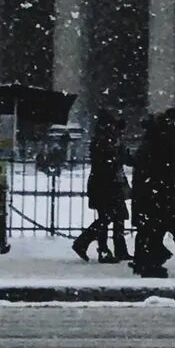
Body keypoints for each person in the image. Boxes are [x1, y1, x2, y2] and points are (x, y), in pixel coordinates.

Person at [131, 108, 175, 279]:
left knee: (163, 230)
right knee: (164, 230)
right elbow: (168, 165)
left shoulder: (155, 139)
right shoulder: (162, 141)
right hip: (162, 193)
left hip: (159, 192)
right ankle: (153, 264)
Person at [74, 110, 132, 263]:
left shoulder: (109, 138)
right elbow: (109, 160)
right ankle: (94, 246)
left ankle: (115, 249)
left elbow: (121, 157)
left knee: (116, 216)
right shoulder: (103, 140)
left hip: (110, 184)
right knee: (107, 217)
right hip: (105, 185)